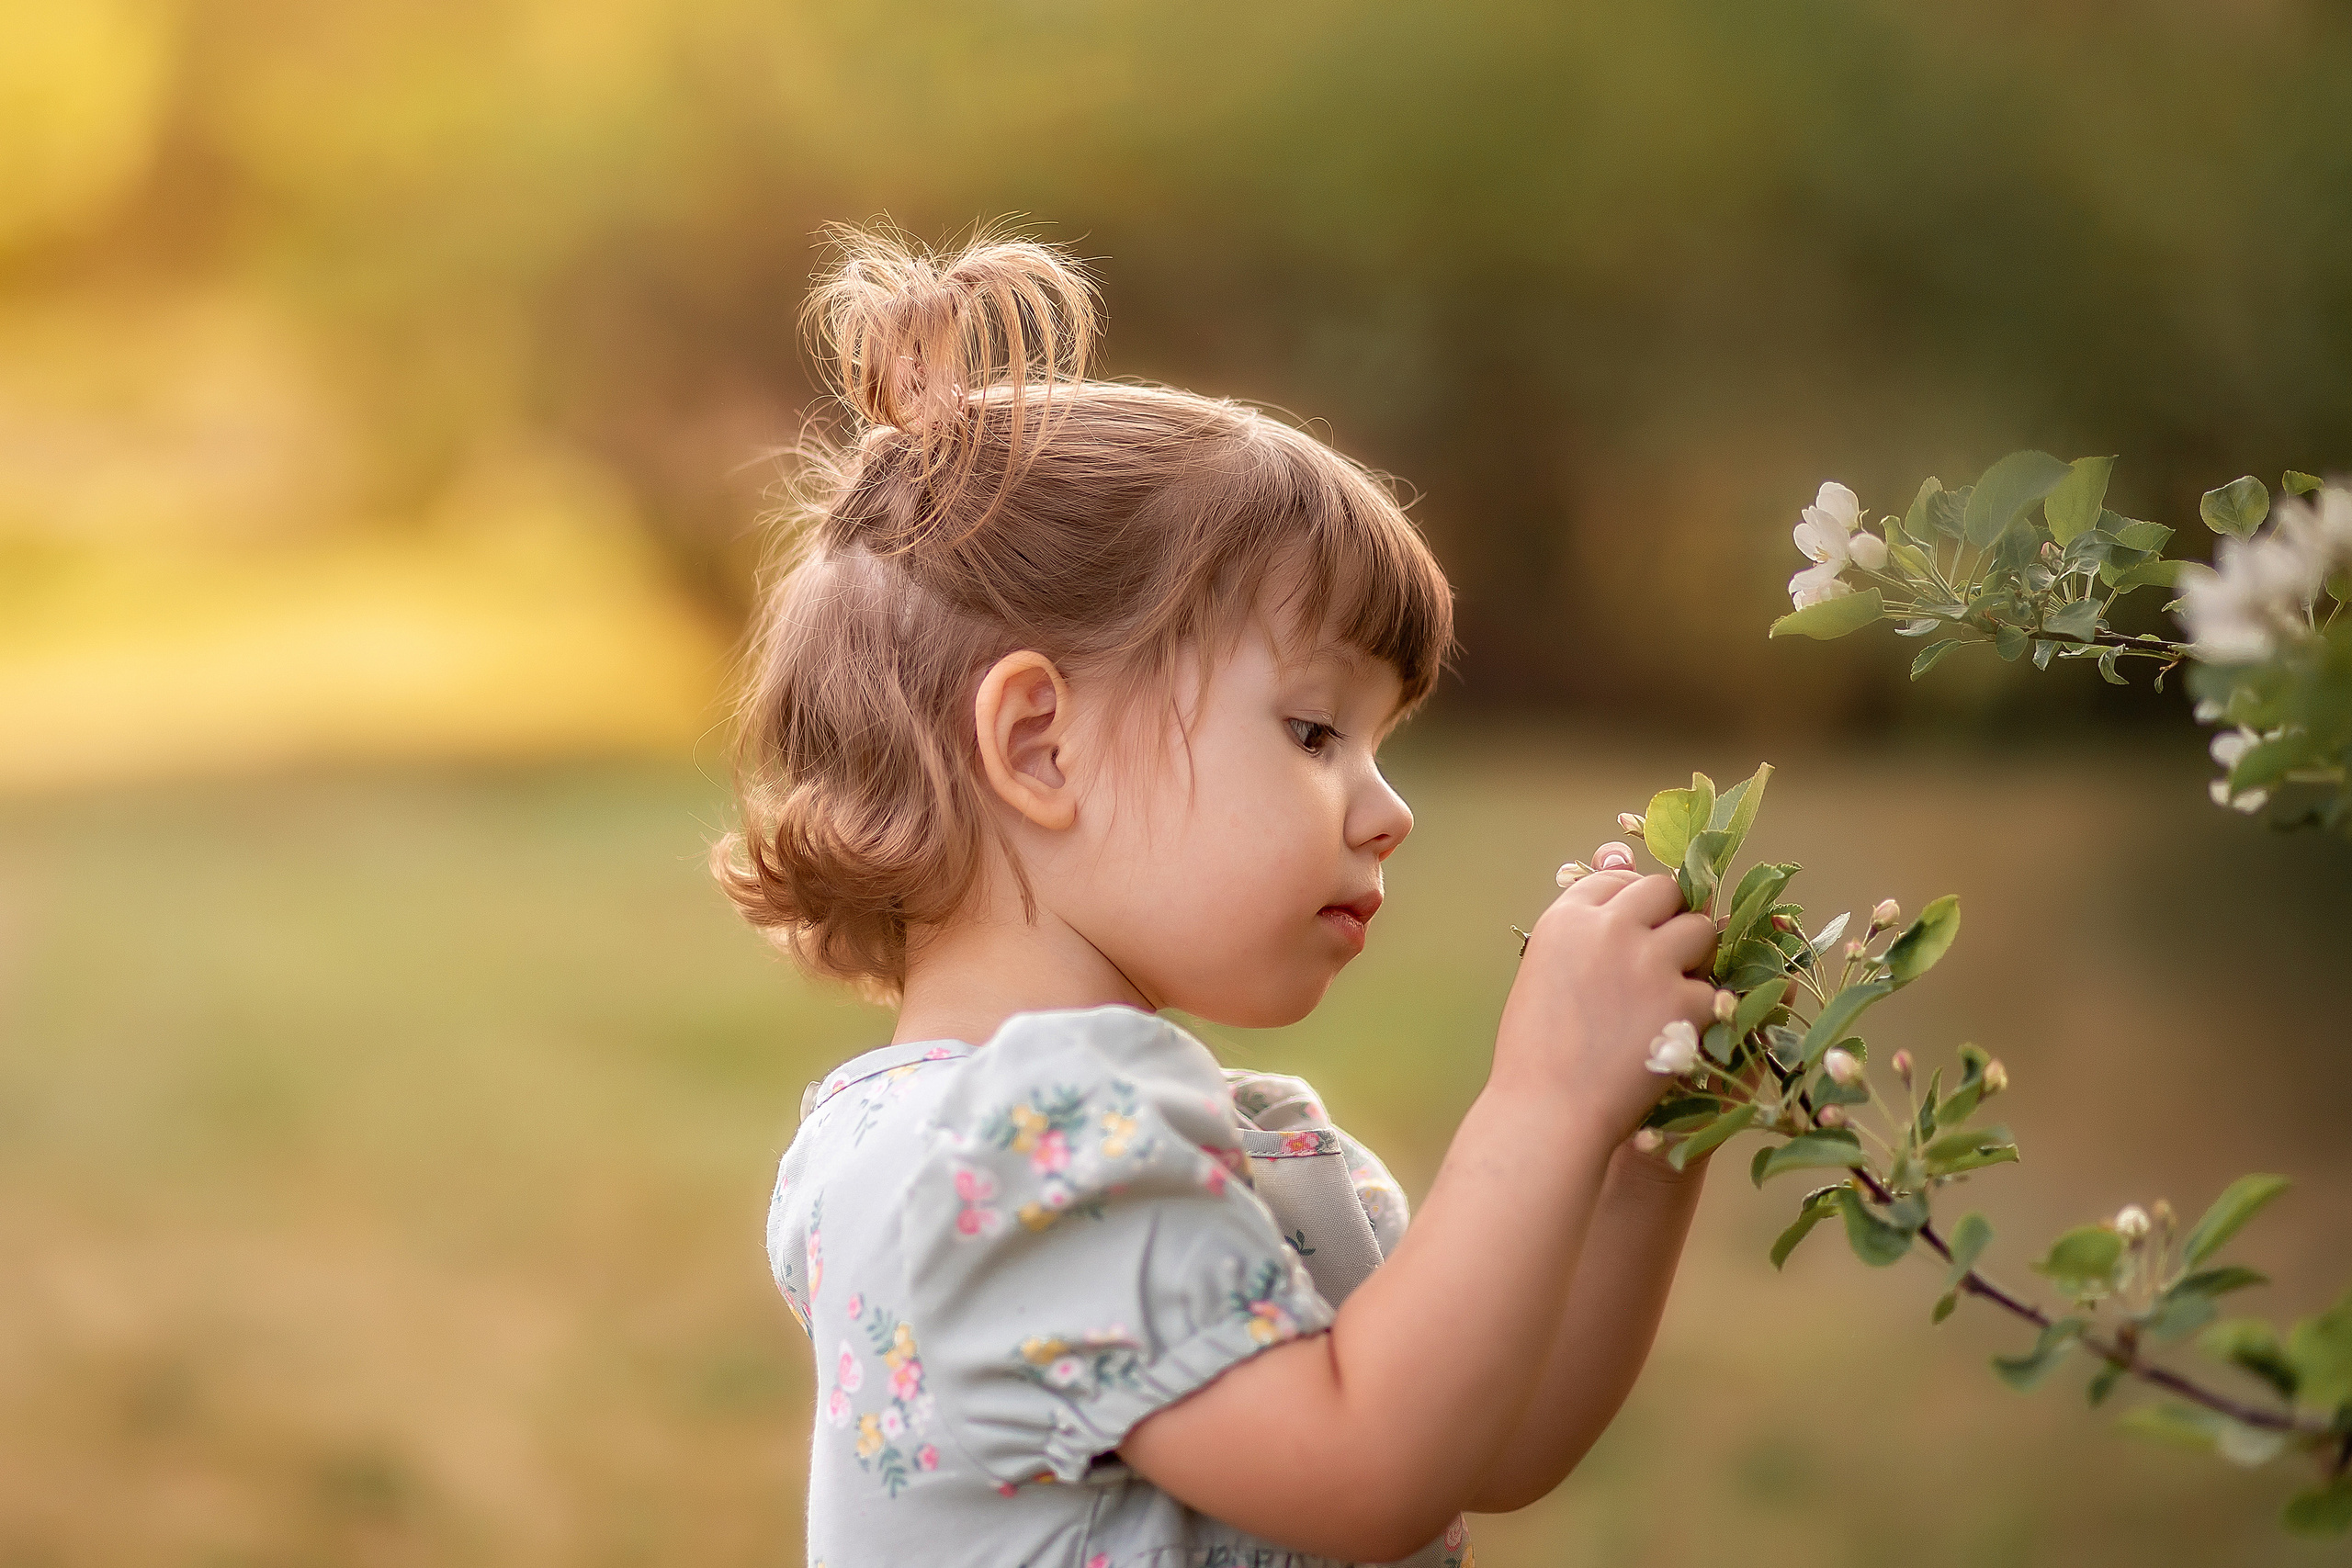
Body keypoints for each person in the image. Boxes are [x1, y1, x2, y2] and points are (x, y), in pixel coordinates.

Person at [714, 225, 1720, 1568]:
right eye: (1314, 732)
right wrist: (1541, 1099)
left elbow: (1486, 1439)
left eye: (1380, 744)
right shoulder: (1027, 1155)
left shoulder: (1163, 1140)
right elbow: (1368, 1474)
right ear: (1038, 746)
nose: (1388, 809)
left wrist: (1633, 1156)